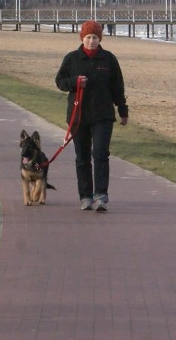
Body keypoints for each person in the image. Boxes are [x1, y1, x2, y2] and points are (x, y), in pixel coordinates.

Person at [55, 20, 129, 212]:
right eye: (88, 37)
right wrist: (74, 82)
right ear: (82, 37)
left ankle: (101, 195)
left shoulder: (109, 59)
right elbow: (60, 81)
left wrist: (123, 110)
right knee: (82, 157)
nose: (91, 41)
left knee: (100, 154)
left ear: (100, 39)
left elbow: (117, 87)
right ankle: (85, 196)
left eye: (95, 37)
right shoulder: (72, 58)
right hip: (78, 116)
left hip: (102, 115)